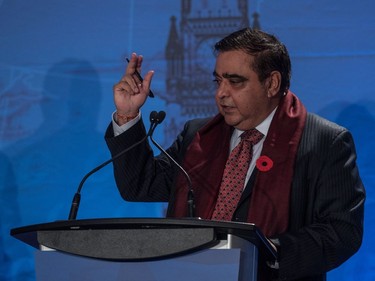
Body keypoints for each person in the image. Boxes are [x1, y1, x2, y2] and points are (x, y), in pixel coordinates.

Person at [105, 28, 365, 281]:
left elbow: (341, 231)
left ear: (272, 83)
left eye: (235, 81)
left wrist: (263, 252)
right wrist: (127, 114)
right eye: (218, 81)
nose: (221, 93)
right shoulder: (198, 135)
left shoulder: (323, 142)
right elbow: (139, 185)